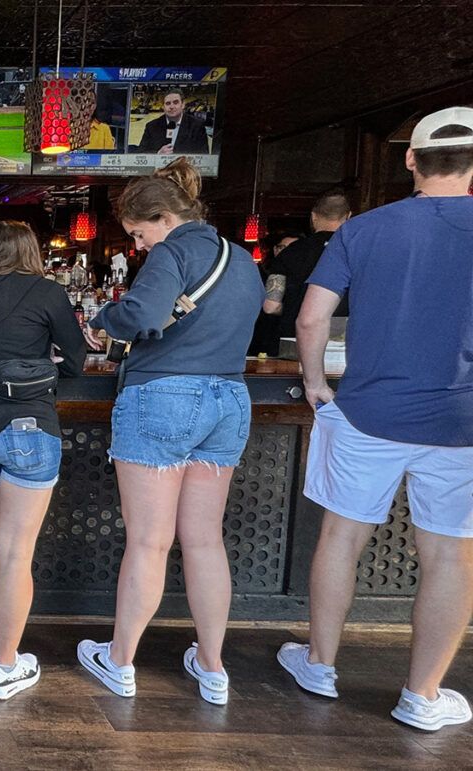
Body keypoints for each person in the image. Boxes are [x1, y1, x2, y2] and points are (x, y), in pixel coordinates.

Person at [277, 107, 473, 733]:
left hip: (367, 412)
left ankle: (319, 663)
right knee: (449, 556)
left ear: (411, 160)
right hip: (464, 422)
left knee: (342, 537)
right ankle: (421, 695)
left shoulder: (364, 230)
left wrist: (314, 384)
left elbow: (310, 320)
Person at [78, 159, 264, 705]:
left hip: (164, 397)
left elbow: (142, 312)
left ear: (162, 217)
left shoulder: (173, 251)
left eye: (138, 234)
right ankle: (212, 667)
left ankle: (120, 661)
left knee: (150, 541)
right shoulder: (243, 261)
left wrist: (102, 323)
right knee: (205, 540)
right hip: (228, 399)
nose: (137, 247)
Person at [0, 221, 86, 701]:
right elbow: (76, 361)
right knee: (15, 552)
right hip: (29, 431)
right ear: (30, 252)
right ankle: (6, 665)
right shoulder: (47, 292)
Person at [265, 191, 350, 338]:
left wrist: (293, 307)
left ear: (313, 216)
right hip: (345, 339)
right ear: (348, 216)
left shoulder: (291, 252)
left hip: (296, 339)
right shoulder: (359, 252)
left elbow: (270, 307)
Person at [137, 90, 210, 155]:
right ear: (163, 107)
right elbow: (141, 152)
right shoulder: (151, 126)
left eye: (175, 102)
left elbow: (203, 154)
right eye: (168, 103)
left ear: (183, 104)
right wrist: (158, 153)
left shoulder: (197, 126)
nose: (172, 106)